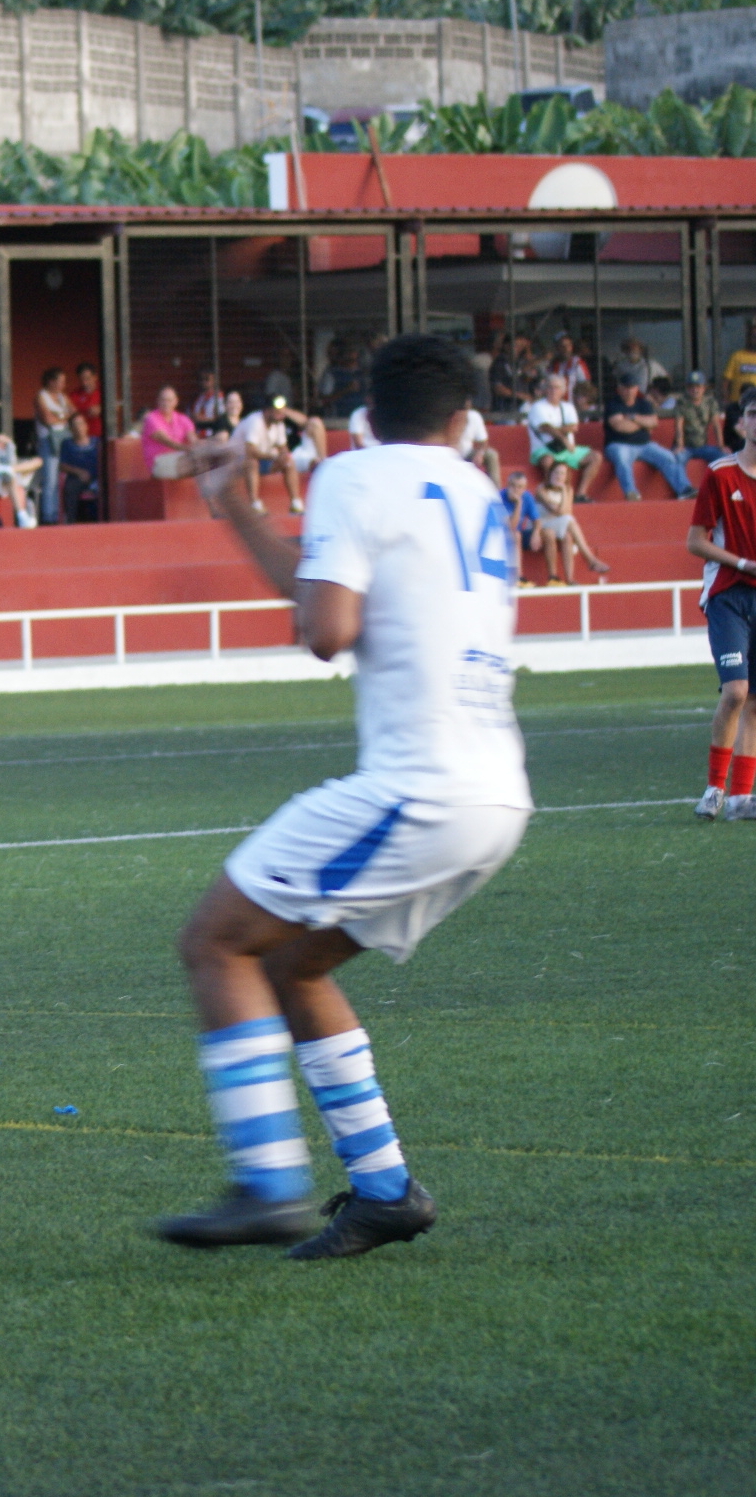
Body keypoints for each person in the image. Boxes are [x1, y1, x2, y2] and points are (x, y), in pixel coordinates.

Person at [151, 333, 531, 1259]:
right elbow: (335, 600)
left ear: (364, 413)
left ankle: (267, 1183)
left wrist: (251, 500)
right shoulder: (478, 489)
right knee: (292, 965)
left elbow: (325, 629)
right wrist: (236, 502)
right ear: (463, 419)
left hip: (419, 787)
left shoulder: (355, 476)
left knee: (215, 941)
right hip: (496, 794)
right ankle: (386, 1191)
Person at [687, 393, 756, 821]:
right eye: (753, 413)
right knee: (735, 692)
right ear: (741, 423)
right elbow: (695, 542)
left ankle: (740, 798)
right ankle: (714, 788)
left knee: (755, 701)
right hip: (727, 594)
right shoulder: (720, 474)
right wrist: (743, 563)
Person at [352, 400, 498, 484]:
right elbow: (358, 443)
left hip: (466, 453)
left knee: (491, 454)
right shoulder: (446, 414)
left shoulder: (474, 416)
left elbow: (483, 441)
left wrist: (480, 453)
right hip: (443, 452)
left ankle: (495, 493)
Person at [602, 367, 693, 501]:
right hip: (618, 445)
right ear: (619, 389)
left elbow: (653, 423)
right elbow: (620, 426)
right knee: (622, 458)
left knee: (668, 456)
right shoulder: (613, 404)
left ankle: (684, 489)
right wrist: (643, 424)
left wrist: (632, 417)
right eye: (626, 388)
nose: (629, 391)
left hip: (645, 445)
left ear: (636, 388)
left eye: (632, 387)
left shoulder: (643, 404)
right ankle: (631, 493)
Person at [234, 392, 324, 515]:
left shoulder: (278, 423)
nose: (281, 414)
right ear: (267, 411)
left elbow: (283, 448)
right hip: (237, 464)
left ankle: (295, 503)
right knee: (252, 462)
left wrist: (284, 456)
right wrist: (273, 456)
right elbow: (249, 451)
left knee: (288, 462)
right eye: (277, 411)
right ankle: (254, 504)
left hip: (263, 461)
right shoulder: (254, 421)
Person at [523, 374, 604, 501]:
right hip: (544, 449)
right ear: (545, 389)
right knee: (548, 461)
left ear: (563, 391)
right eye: (550, 387)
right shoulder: (537, 407)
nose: (553, 390)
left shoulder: (568, 407)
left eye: (556, 388)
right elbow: (545, 427)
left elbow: (573, 427)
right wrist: (564, 438)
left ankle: (580, 494)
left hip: (566, 450)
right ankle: (551, 495)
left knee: (596, 457)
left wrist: (555, 430)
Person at [531, 459, 611, 584]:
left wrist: (563, 490)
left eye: (562, 474)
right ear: (550, 473)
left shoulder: (568, 490)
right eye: (556, 473)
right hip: (542, 524)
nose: (559, 476)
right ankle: (589, 558)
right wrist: (564, 493)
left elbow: (566, 511)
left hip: (558, 524)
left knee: (568, 536)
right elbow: (558, 511)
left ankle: (569, 579)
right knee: (568, 520)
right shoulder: (541, 489)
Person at [33, 367, 73, 511]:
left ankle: (64, 513)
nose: (63, 385)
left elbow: (73, 413)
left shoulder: (63, 397)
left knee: (65, 477)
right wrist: (63, 417)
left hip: (65, 440)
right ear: (51, 381)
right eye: (60, 381)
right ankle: (49, 515)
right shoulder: (41, 396)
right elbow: (47, 419)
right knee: (50, 479)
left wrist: (58, 416)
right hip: (48, 441)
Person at [56, 410, 102, 522]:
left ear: (86, 426)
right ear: (70, 429)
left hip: (97, 477)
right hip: (77, 478)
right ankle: (70, 522)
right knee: (70, 488)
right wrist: (79, 472)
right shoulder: (66, 444)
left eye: (81, 424)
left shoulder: (96, 442)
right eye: (75, 425)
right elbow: (62, 465)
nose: (79, 427)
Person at [677, 371, 728, 470]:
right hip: (685, 447)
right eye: (691, 387)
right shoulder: (682, 402)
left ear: (704, 388)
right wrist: (680, 446)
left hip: (702, 446)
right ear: (687, 388)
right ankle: (683, 482)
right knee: (677, 460)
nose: (695, 390)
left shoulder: (710, 402)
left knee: (724, 457)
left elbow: (716, 425)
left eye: (698, 386)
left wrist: (721, 446)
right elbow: (679, 426)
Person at [139, 385, 197, 471]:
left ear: (176, 402)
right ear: (158, 401)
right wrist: (188, 449)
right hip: (158, 463)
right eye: (163, 400)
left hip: (178, 460)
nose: (166, 403)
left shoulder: (183, 419)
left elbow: (193, 439)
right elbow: (167, 442)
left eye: (169, 400)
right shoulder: (151, 419)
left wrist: (201, 447)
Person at [73, 363, 103, 439]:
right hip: (84, 439)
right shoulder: (74, 395)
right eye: (81, 379)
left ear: (95, 377)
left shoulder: (105, 391)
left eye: (87, 378)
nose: (84, 383)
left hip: (103, 436)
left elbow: (118, 406)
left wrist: (102, 409)